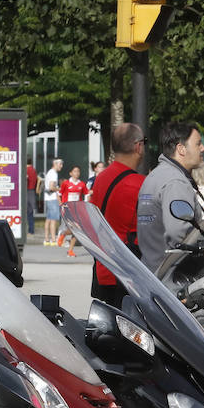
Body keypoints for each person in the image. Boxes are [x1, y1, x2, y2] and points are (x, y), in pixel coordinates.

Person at [137, 121, 204, 280]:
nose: (203, 148)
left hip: (152, 273)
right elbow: (180, 234)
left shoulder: (156, 176)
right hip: (172, 280)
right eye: (198, 144)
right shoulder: (175, 182)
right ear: (181, 149)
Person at [90, 123, 147, 305]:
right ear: (138, 146)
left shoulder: (101, 178)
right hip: (129, 271)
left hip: (104, 266)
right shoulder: (139, 183)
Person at [56, 165, 88, 256]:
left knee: (77, 230)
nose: (77, 173)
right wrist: (61, 204)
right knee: (74, 229)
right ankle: (63, 235)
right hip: (68, 210)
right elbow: (59, 194)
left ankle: (70, 249)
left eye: (78, 171)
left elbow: (87, 193)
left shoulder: (81, 184)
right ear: (71, 173)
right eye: (75, 171)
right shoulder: (66, 183)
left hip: (77, 210)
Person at [43, 158, 64, 246]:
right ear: (55, 164)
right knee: (54, 219)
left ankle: (47, 239)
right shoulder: (53, 173)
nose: (61, 166)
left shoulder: (50, 172)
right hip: (52, 198)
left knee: (48, 219)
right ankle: (53, 239)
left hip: (48, 198)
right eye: (60, 164)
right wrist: (60, 189)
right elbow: (51, 187)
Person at [25, 161, 39, 235]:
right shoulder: (33, 170)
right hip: (32, 192)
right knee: (30, 213)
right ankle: (31, 230)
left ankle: (26, 230)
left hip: (26, 192)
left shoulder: (25, 170)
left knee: (25, 212)